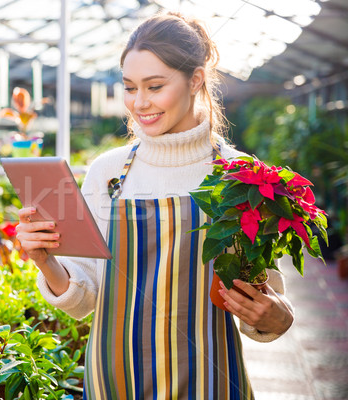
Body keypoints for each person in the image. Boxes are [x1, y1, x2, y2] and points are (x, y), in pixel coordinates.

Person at [15, 12, 294, 399]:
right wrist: (45, 259)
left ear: (195, 79)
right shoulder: (108, 172)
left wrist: (276, 315)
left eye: (155, 86)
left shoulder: (240, 177)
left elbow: (266, 300)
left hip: (207, 380)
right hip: (116, 379)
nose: (139, 102)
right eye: (129, 87)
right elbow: (87, 298)